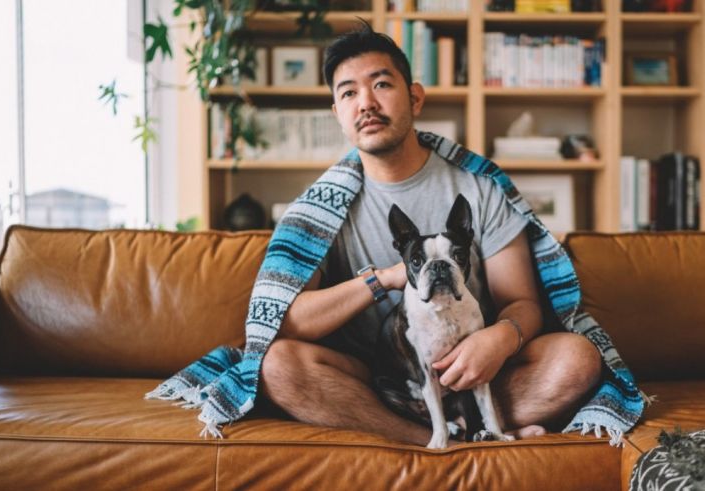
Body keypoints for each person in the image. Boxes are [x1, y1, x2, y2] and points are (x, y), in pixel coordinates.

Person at [258, 22, 605, 446]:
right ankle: (443, 438)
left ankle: (468, 421)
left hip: (480, 369)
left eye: (381, 84)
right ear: (338, 114)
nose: (365, 102)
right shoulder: (320, 210)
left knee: (578, 358)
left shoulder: (478, 187)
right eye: (348, 93)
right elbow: (290, 322)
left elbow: (523, 303)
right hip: (379, 379)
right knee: (277, 365)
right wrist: (383, 279)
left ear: (415, 97)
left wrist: (498, 340)